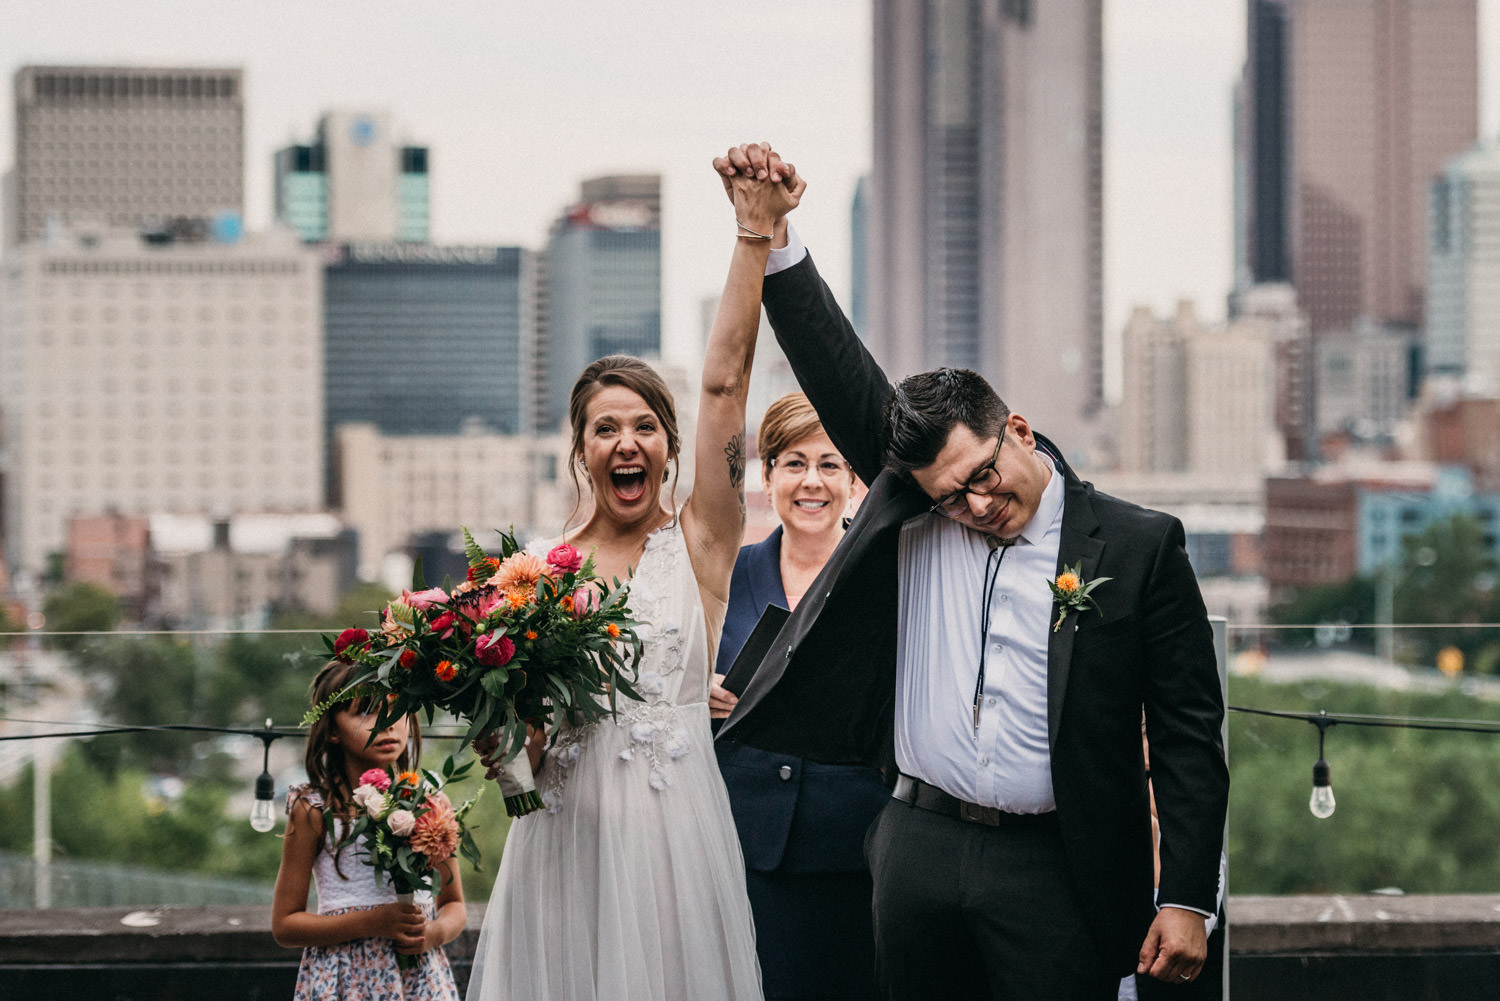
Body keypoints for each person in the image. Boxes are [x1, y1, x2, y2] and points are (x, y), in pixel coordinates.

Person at [713, 142, 1229, 1001]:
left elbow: (1185, 732)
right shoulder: (919, 507)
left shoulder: (1140, 547)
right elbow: (839, 370)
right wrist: (774, 235)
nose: (976, 505)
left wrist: (1185, 895)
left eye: (983, 478)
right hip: (916, 843)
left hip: (1055, 863)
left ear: (1018, 431)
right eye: (950, 498)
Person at [464, 166, 806, 1001]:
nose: (627, 442)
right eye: (605, 427)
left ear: (669, 447)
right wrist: (503, 745)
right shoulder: (535, 577)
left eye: (645, 426)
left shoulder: (700, 543)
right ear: (580, 449)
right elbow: (520, 768)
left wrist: (751, 233)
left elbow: (726, 385)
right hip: (564, 847)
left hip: (675, 841)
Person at [710, 392, 889, 1001]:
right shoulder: (724, 578)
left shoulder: (885, 577)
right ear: (769, 476)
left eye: (829, 464)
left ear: (853, 480)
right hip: (746, 848)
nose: (811, 481)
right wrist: (696, 696)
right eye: (793, 463)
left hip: (858, 847)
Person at [272, 660, 466, 1001]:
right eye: (367, 712)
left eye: (398, 709)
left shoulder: (432, 802)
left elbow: (455, 905)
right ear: (332, 729)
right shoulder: (314, 809)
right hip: (345, 980)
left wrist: (432, 933)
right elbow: (285, 925)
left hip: (420, 981)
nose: (388, 724)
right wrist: (372, 922)